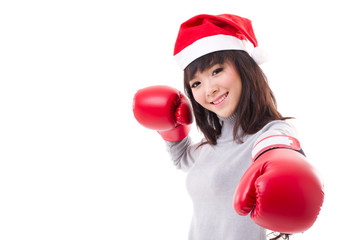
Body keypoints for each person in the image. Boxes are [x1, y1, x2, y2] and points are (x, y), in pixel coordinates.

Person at [133, 14, 324, 240]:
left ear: (245, 69)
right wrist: (170, 130)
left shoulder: (271, 134)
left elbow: (276, 147)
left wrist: (282, 161)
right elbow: (183, 160)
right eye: (196, 83)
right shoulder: (215, 141)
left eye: (216, 71)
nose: (209, 89)